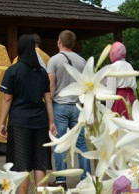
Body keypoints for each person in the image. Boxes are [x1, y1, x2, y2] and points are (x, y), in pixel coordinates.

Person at [0, 35, 56, 194]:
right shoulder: (42, 72)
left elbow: (7, 98)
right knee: (40, 163)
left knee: (21, 164)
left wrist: (2, 122)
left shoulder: (13, 70)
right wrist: (51, 122)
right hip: (40, 121)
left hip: (19, 122)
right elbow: (48, 99)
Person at [47, 30, 91, 188]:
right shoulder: (82, 61)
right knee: (82, 144)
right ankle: (86, 178)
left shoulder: (54, 60)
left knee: (59, 143)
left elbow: (51, 84)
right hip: (78, 106)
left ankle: (61, 180)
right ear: (73, 43)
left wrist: (48, 103)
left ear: (59, 42)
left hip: (60, 105)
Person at [105, 41, 137, 119]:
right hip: (132, 98)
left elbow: (110, 91)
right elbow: (134, 87)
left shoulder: (113, 67)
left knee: (120, 126)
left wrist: (107, 110)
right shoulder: (129, 65)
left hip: (120, 99)